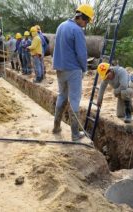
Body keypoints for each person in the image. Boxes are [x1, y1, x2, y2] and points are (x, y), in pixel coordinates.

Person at [52, 4, 94, 141]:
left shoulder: (61, 26)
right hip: (73, 69)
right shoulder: (77, 30)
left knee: (62, 96)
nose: (86, 25)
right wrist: (84, 69)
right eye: (86, 21)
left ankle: (56, 126)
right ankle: (75, 134)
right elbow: (82, 54)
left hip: (59, 68)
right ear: (81, 17)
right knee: (74, 99)